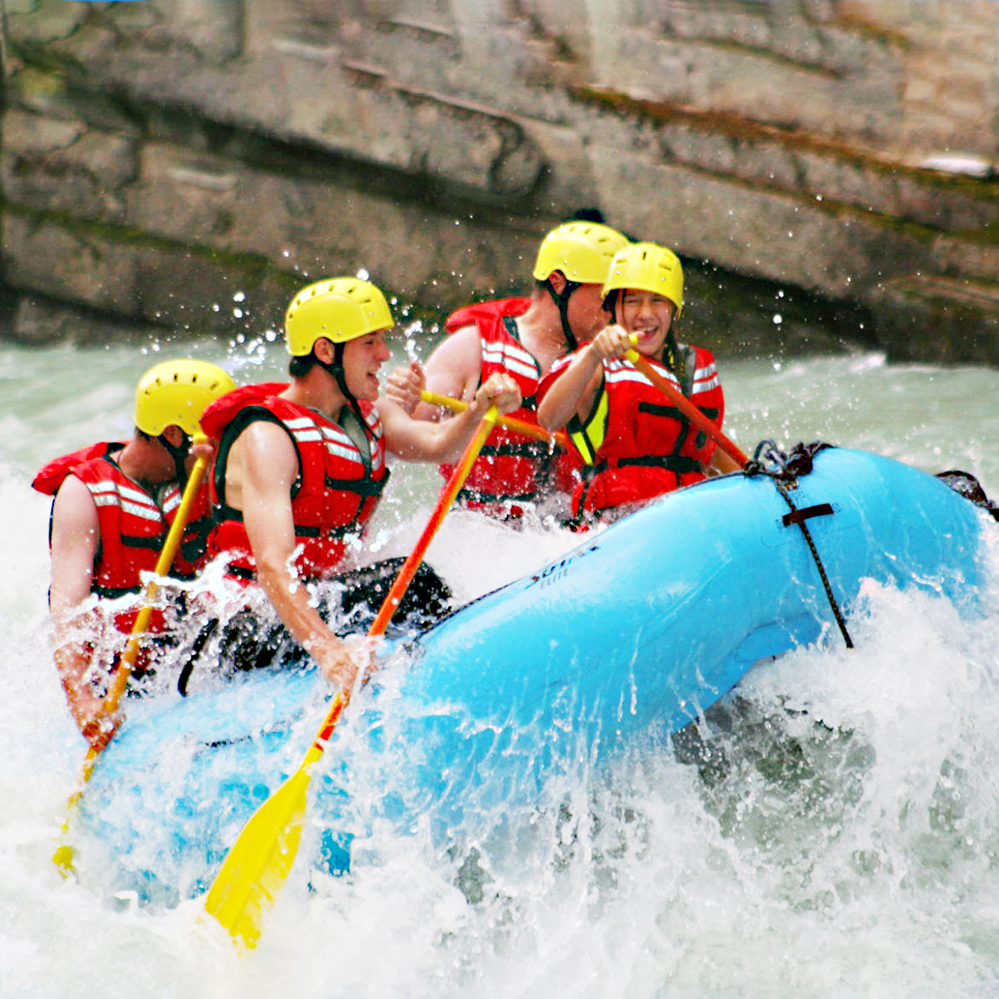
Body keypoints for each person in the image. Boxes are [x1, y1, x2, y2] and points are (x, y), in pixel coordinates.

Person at [199, 276, 520, 698]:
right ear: (326, 351)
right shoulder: (268, 434)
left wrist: (480, 408)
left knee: (410, 582)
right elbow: (273, 567)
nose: (385, 355)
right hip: (246, 621)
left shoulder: (371, 417)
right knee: (413, 584)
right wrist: (328, 651)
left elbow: (441, 445)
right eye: (370, 343)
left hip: (319, 598)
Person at [32, 359, 236, 749]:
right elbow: (66, 611)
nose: (222, 449)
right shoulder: (84, 493)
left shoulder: (214, 476)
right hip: (125, 681)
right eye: (213, 437)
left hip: (200, 661)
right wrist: (83, 702)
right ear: (175, 435)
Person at [385, 217, 630, 519]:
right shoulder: (472, 347)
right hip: (475, 526)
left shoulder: (610, 362)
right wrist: (407, 402)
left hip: (564, 530)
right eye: (604, 299)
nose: (611, 314)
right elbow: (412, 444)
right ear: (558, 283)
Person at [536, 241, 740, 526]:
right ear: (613, 308)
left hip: (691, 517)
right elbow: (548, 418)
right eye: (632, 301)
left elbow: (710, 450)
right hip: (613, 524)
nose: (645, 313)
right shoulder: (594, 362)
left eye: (657, 300)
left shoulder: (695, 365)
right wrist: (593, 354)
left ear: (673, 309)